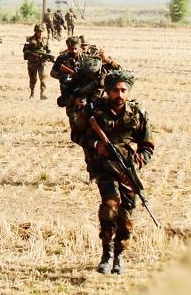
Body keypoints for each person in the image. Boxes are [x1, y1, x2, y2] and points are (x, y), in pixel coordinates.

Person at [72, 70, 154, 275]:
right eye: (115, 90)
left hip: (127, 171)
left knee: (126, 214)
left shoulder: (137, 114)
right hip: (103, 167)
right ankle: (106, 254)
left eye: (123, 90)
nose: (119, 94)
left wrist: (140, 160)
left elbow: (148, 146)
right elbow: (76, 134)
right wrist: (96, 144)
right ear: (108, 91)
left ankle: (119, 257)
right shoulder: (94, 111)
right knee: (110, 206)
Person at [22, 24, 52, 99]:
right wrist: (33, 53)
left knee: (43, 78)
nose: (40, 33)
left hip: (42, 62)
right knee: (33, 78)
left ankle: (43, 93)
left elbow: (48, 51)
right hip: (32, 62)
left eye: (41, 31)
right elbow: (25, 50)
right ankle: (32, 92)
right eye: (39, 31)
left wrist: (47, 56)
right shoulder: (29, 40)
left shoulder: (45, 39)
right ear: (35, 31)